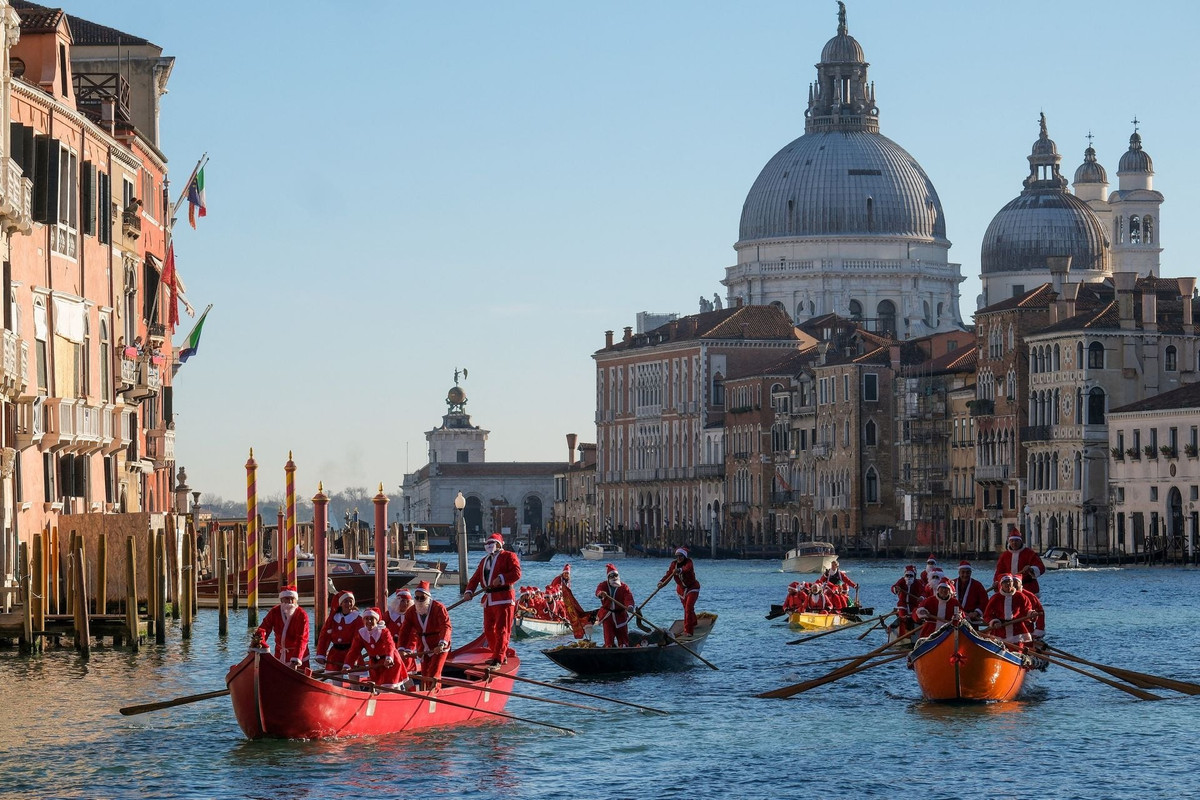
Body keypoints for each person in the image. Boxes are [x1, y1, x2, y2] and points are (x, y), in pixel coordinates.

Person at [462, 532, 522, 667]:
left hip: (503, 599)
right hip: (488, 599)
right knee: (488, 629)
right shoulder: (484, 560)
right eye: (487, 543)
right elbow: (476, 578)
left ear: (499, 544)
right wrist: (469, 591)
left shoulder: (509, 556)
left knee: (502, 630)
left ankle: (499, 658)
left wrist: (501, 579)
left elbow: (516, 573)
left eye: (492, 543)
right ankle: (498, 654)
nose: (489, 546)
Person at [400, 580, 452, 690]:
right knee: (424, 674)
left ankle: (434, 695)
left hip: (439, 646)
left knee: (433, 674)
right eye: (416, 598)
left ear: (428, 597)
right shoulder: (411, 611)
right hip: (423, 648)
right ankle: (425, 694)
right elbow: (405, 631)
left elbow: (446, 626)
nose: (419, 601)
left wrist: (442, 643)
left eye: (422, 598)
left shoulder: (439, 608)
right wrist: (401, 648)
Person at [348, 607, 411, 689]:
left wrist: (389, 658)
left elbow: (389, 644)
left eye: (371, 619)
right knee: (381, 687)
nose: (369, 621)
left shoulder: (384, 631)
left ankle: (399, 698)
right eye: (366, 619)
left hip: (390, 663)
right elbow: (354, 651)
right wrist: (347, 665)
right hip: (375, 665)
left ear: (377, 620)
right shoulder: (362, 633)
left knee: (392, 686)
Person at [252, 586, 309, 668]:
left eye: (292, 599)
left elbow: (302, 638)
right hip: (280, 655)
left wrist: (295, 660)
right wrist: (257, 642)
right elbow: (265, 627)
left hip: (299, 657)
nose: (290, 601)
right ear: (281, 600)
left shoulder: (302, 614)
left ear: (296, 600)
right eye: (287, 598)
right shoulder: (275, 612)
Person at [314, 590, 363, 673]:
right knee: (335, 680)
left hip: (352, 652)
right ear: (340, 603)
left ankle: (354, 686)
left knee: (354, 681)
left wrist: (349, 661)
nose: (348, 604)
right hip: (335, 655)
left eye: (350, 601)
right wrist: (321, 654)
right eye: (346, 601)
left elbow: (358, 640)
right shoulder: (332, 619)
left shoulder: (358, 619)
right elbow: (324, 637)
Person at [658, 546, 701, 635]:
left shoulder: (689, 562)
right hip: (681, 590)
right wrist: (661, 582)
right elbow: (668, 575)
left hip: (692, 587)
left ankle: (688, 631)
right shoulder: (673, 564)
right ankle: (693, 622)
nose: (678, 558)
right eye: (677, 556)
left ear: (684, 557)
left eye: (680, 556)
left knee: (688, 607)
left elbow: (687, 568)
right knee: (686, 608)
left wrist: (679, 570)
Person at [984, 573, 1034, 649]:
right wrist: (994, 622)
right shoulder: (995, 598)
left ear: (1012, 583)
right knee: (998, 649)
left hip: (1017, 630)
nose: (1007, 584)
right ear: (1001, 584)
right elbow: (987, 615)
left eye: (1009, 581)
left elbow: (1027, 610)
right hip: (1000, 630)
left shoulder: (1020, 596)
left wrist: (1032, 613)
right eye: (1005, 582)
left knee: (1018, 651)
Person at [993, 529, 1046, 595]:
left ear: (1020, 541)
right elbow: (999, 571)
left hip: (1028, 587)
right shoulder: (1004, 555)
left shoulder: (1029, 553)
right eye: (1012, 541)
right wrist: (996, 582)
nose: (1014, 543)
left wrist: (1031, 569)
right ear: (1009, 542)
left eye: (1016, 541)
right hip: (1009, 589)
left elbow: (1041, 567)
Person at [595, 563, 635, 647]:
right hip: (607, 616)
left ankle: (624, 648)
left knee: (623, 638)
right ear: (608, 577)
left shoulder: (624, 587)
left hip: (620, 616)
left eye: (615, 575)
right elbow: (598, 591)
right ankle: (609, 649)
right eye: (612, 576)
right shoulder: (603, 585)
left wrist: (630, 606)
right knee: (608, 638)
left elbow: (628, 597)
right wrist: (601, 594)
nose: (614, 578)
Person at [890, 565, 924, 637]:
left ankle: (913, 632)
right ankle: (902, 634)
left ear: (914, 576)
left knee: (915, 618)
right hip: (902, 605)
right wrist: (896, 589)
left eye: (910, 576)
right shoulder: (902, 581)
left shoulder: (917, 583)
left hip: (914, 605)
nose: (908, 577)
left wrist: (921, 597)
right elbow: (893, 587)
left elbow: (923, 592)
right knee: (903, 618)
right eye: (907, 575)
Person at [1012, 574, 1046, 645]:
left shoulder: (1030, 596)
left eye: (1016, 584)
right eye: (1013, 584)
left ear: (1020, 585)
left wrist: (1038, 632)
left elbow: (1040, 612)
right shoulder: (1001, 597)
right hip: (1005, 632)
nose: (1014, 587)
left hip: (1026, 631)